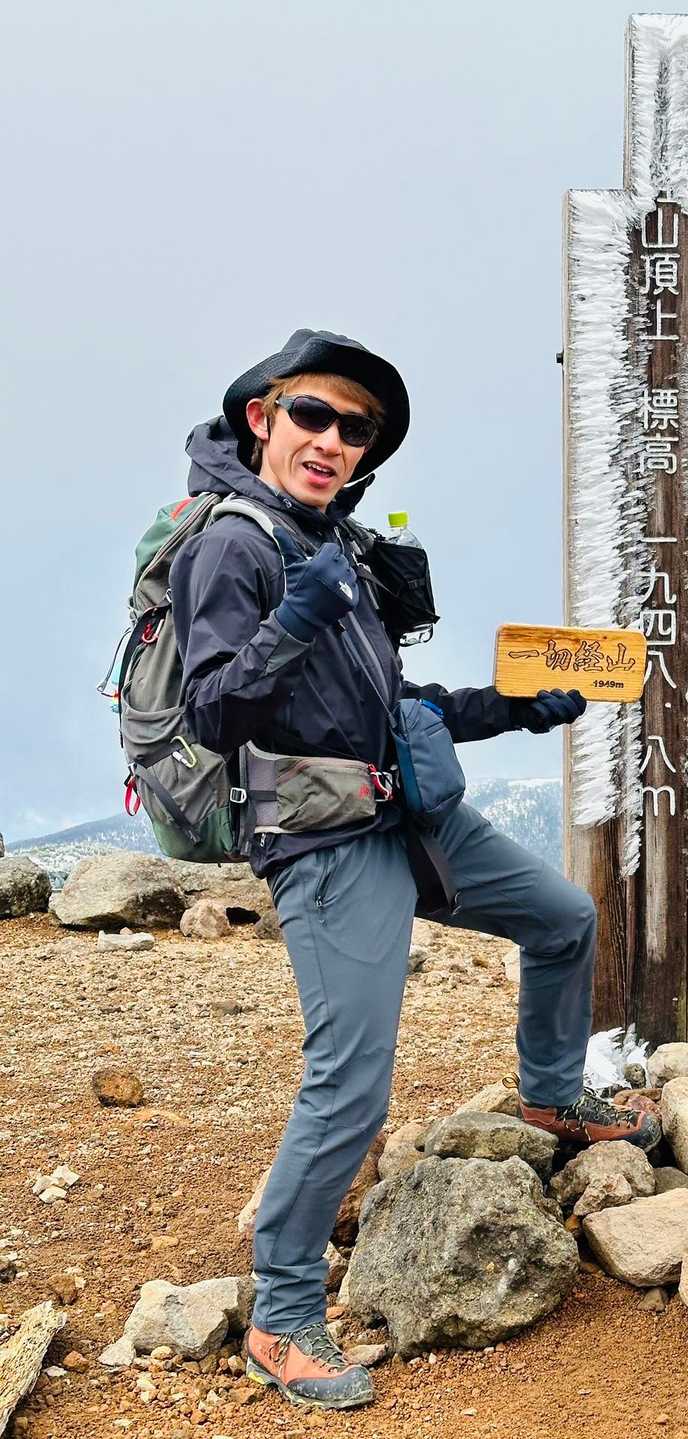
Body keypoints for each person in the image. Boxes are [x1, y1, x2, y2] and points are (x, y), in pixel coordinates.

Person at [169, 329, 660, 1411]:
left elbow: (393, 705)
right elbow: (213, 711)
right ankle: (282, 1313)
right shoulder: (232, 546)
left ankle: (549, 1097)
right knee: (351, 1082)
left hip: (407, 814)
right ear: (263, 417)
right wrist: (297, 616)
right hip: (326, 841)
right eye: (313, 415)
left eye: (355, 429)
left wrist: (513, 708)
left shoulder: (332, 542)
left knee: (563, 917)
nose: (332, 440)